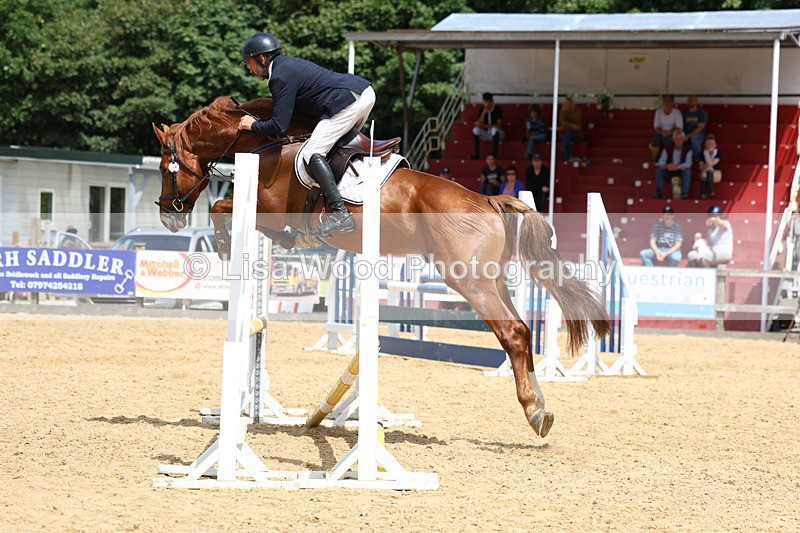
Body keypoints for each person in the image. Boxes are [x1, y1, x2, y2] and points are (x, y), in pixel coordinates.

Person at [237, 32, 375, 236]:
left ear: (262, 58)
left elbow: (278, 127)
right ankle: (346, 197)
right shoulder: (286, 67)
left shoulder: (279, 77)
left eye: (249, 63)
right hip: (361, 93)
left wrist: (253, 125)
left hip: (348, 100)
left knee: (311, 153)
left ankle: (340, 214)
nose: (250, 69)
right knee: (331, 150)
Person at [652, 130, 692, 200]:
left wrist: (676, 167)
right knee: (659, 169)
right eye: (677, 139)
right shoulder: (667, 148)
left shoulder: (688, 149)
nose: (678, 141)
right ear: (673, 139)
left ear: (683, 140)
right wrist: (667, 166)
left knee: (688, 171)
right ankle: (659, 192)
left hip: (680, 172)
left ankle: (685, 193)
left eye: (680, 139)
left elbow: (688, 163)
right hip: (669, 172)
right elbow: (660, 162)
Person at [471, 92, 505, 160]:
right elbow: (479, 124)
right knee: (475, 130)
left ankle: (494, 155)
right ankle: (476, 154)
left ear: (492, 101)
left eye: (489, 102)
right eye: (485, 102)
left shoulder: (497, 110)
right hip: (487, 133)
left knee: (494, 129)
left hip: (497, 134)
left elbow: (499, 125)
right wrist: (483, 113)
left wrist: (485, 126)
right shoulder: (481, 110)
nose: (487, 104)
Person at [650, 95, 683, 162]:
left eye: (669, 101)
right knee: (655, 138)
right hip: (661, 132)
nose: (667, 103)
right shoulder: (658, 112)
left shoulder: (677, 112)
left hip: (672, 133)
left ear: (672, 103)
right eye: (665, 101)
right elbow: (656, 126)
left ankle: (669, 158)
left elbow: (679, 127)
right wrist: (662, 132)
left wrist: (669, 132)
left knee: (669, 140)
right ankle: (655, 158)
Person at [682, 95, 708, 161]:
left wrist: (688, 135)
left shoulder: (702, 113)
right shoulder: (684, 113)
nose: (691, 102)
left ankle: (698, 156)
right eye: (689, 100)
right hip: (686, 135)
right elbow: (681, 126)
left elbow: (700, 128)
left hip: (698, 136)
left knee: (694, 137)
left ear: (696, 102)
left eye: (693, 100)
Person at [558, 96, 583, 162]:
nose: (568, 106)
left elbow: (577, 123)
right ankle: (568, 158)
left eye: (570, 104)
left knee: (568, 134)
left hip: (576, 134)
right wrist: (572, 125)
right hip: (564, 133)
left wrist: (567, 126)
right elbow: (563, 122)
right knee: (566, 136)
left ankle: (564, 149)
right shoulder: (562, 111)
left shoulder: (577, 111)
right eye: (567, 104)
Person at [698, 134, 722, 199]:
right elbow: (701, 167)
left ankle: (706, 192)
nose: (709, 146)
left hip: (715, 173)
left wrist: (707, 155)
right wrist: (706, 153)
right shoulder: (702, 153)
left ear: (715, 145)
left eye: (711, 144)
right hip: (704, 172)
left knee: (710, 168)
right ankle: (708, 192)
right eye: (708, 144)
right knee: (706, 172)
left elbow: (712, 163)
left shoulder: (718, 153)